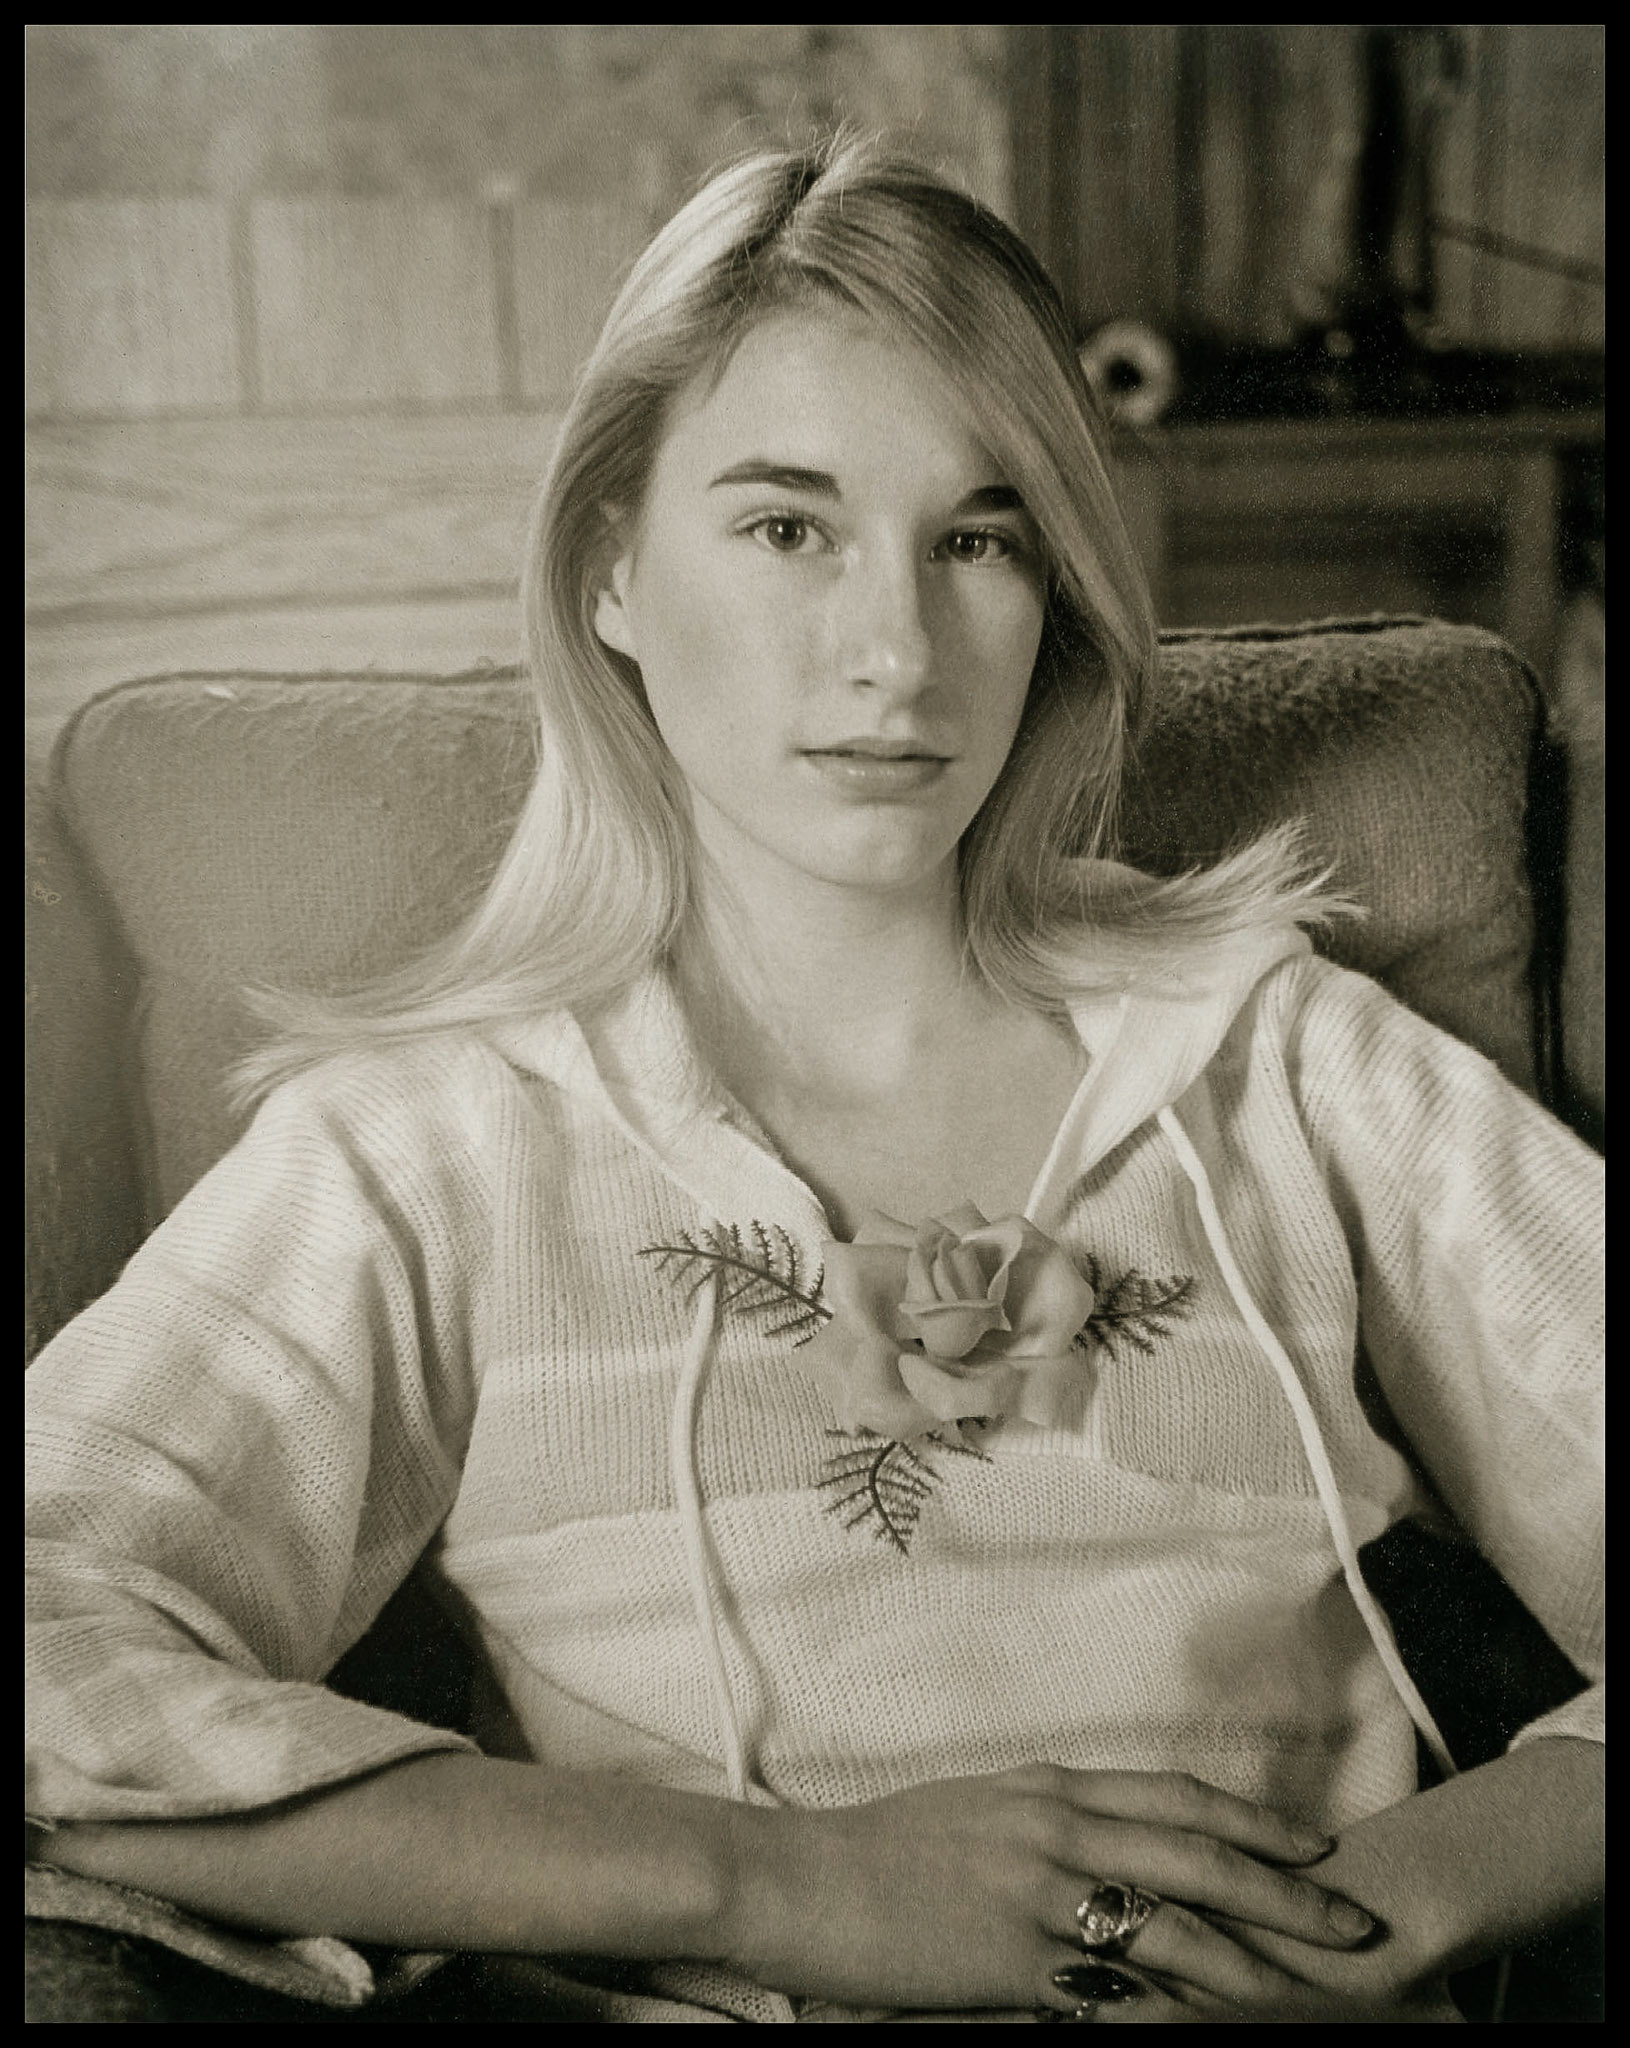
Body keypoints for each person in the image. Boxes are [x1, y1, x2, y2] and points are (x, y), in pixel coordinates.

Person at [25, 133, 1602, 2024]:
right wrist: (777, 1887)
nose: (893, 650)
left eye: (978, 537)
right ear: (610, 569)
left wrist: (1411, 1893)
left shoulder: (1285, 1064)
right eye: (787, 527)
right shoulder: (424, 1148)